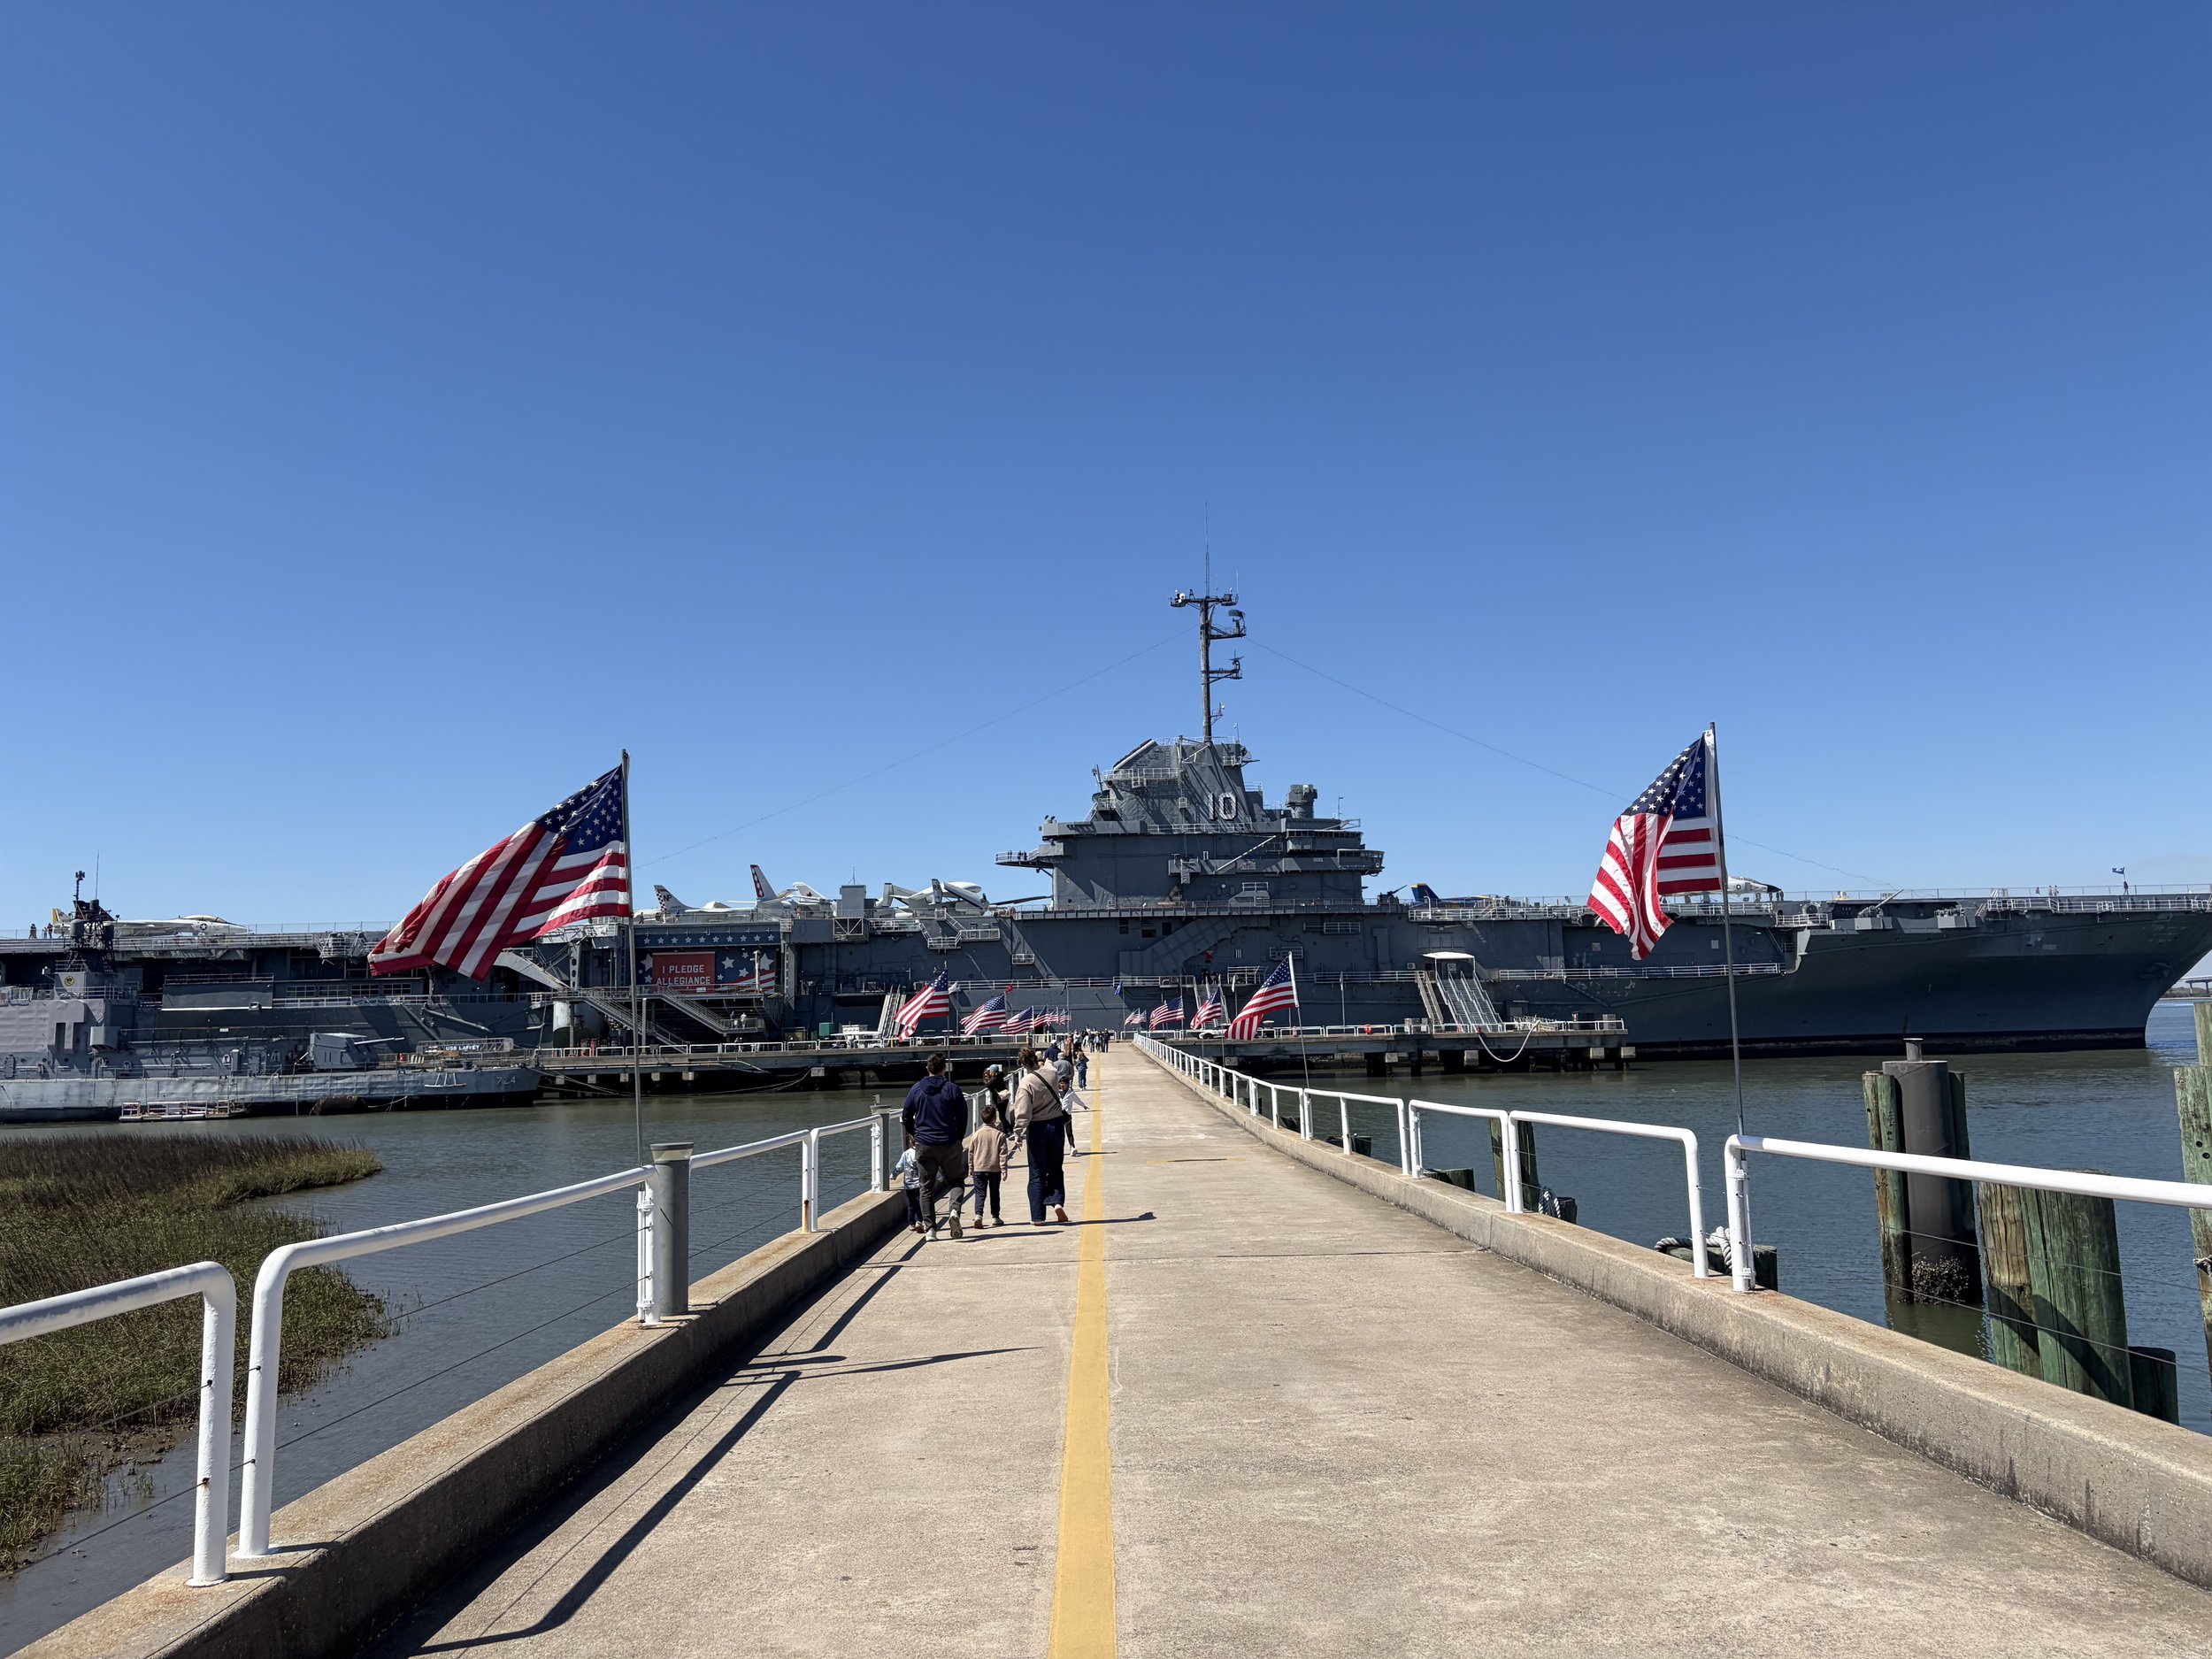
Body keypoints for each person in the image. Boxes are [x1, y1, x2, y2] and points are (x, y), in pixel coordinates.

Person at [901, 1052, 967, 1239]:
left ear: (927, 1068)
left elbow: (906, 1115)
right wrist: (958, 1137)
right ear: (944, 1069)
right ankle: (954, 1210)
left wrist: (914, 1133)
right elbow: (963, 1115)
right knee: (956, 1181)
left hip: (924, 1144)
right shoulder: (953, 1089)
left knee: (926, 1187)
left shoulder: (916, 1089)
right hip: (949, 1142)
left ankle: (930, 1229)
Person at [1012, 1046, 1071, 1225]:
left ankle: (1038, 1217)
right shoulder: (1052, 1074)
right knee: (1055, 1167)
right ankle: (1057, 1202)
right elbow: (1051, 1065)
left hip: (1037, 1128)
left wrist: (1018, 1132)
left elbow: (1023, 1111)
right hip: (1056, 1124)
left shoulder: (1026, 1083)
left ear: (1022, 1064)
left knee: (1037, 1172)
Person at [965, 1100, 1009, 1227]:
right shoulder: (1000, 1135)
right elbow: (1003, 1154)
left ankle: (978, 1215)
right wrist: (1004, 1169)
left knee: (980, 1192)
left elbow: (971, 1153)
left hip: (979, 1167)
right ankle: (995, 1217)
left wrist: (970, 1167)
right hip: (994, 1169)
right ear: (995, 1118)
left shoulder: (976, 1135)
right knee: (994, 1193)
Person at [893, 1138, 926, 1233]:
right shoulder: (922, 1152)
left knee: (911, 1204)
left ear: (911, 1142)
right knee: (920, 1203)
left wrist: (893, 1175)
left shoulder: (906, 1154)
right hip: (919, 1184)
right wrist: (938, 1177)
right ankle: (919, 1221)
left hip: (909, 1184)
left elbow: (899, 1167)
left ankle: (911, 1223)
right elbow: (928, 1167)